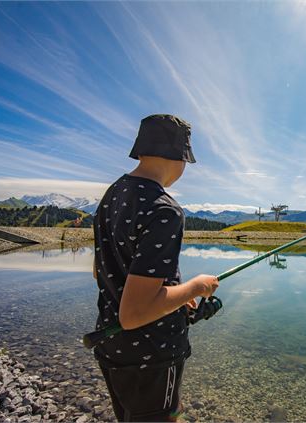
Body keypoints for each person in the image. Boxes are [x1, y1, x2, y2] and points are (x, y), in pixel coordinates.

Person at [91, 114, 219, 422]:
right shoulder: (165, 210)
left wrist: (171, 295)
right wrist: (195, 287)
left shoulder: (113, 194)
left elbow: (101, 271)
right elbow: (134, 314)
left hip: (111, 345)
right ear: (179, 156)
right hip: (151, 355)